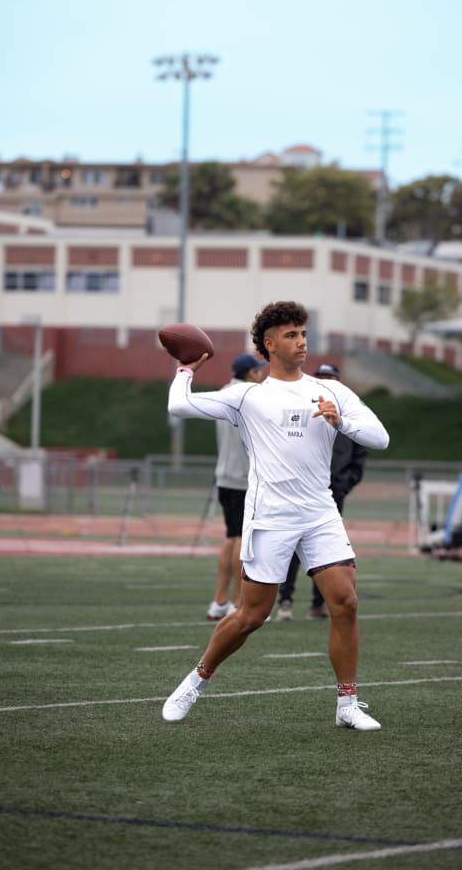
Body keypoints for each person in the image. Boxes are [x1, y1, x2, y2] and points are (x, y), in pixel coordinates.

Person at [162, 300, 390, 730]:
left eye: (303, 334)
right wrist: (185, 367)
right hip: (270, 516)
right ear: (268, 344)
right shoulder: (247, 395)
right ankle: (197, 678)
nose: (301, 342)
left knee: (345, 602)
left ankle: (347, 704)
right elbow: (179, 406)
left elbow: (380, 438)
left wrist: (340, 421)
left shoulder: (332, 390)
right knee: (253, 615)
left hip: (320, 512)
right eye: (291, 335)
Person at [276, 363, 367, 621]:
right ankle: (286, 600)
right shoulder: (301, 409)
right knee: (294, 546)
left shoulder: (350, 413)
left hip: (332, 493)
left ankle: (318, 603)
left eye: (331, 378)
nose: (326, 382)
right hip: (300, 492)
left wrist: (344, 482)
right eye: (322, 377)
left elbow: (360, 453)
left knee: (326, 551)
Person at [206, 352, 268, 621]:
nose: (262, 374)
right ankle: (237, 602)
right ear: (250, 373)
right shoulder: (250, 396)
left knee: (231, 537)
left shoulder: (222, 392)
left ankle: (218, 601)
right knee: (243, 540)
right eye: (258, 370)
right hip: (245, 478)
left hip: (225, 476)